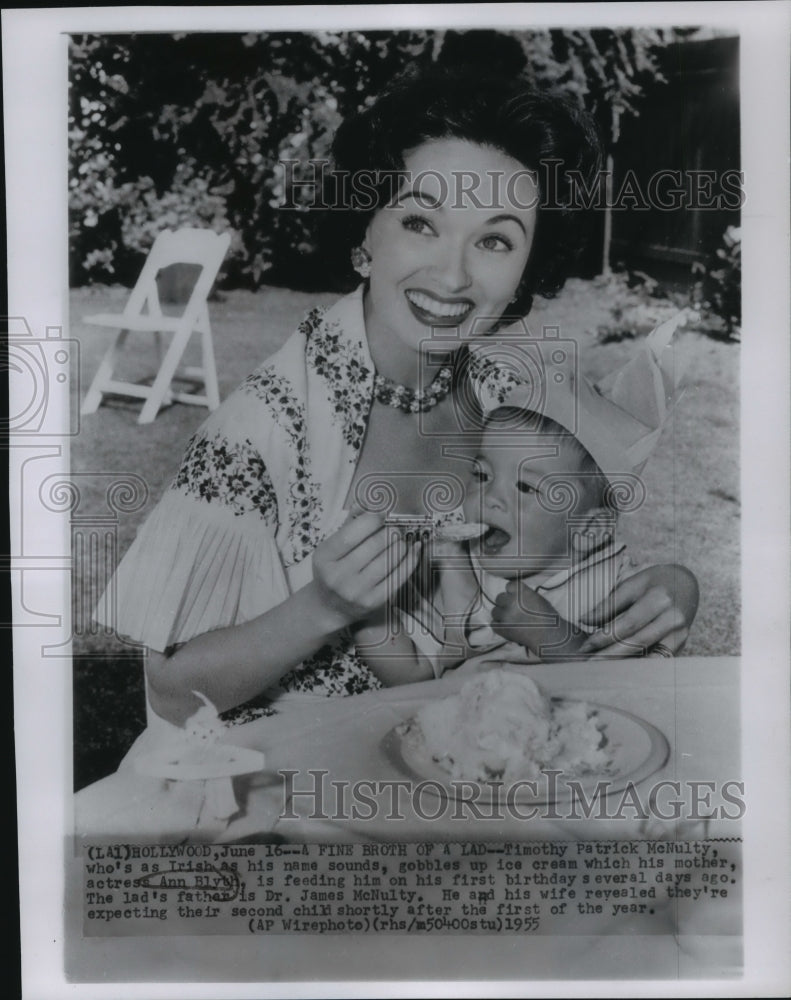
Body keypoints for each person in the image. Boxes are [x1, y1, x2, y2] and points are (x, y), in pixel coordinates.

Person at [96, 68, 698, 726]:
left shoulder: (514, 389)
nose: (451, 274)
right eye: (420, 222)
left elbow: (582, 545)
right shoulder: (259, 428)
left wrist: (673, 587)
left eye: (494, 240)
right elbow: (173, 691)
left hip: (468, 759)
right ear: (365, 235)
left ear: (527, 267)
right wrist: (321, 608)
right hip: (278, 786)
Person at [355, 312, 696, 682]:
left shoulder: (610, 586)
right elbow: (408, 674)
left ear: (589, 529)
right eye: (481, 475)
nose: (490, 498)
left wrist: (553, 637)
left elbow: (630, 686)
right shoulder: (455, 571)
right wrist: (362, 606)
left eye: (525, 487)